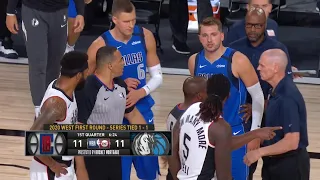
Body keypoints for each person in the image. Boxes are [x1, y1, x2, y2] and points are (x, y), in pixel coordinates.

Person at [86, 0, 163, 179]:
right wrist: (117, 83)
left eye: (134, 20)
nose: (131, 25)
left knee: (150, 172)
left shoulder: (145, 36)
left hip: (142, 111)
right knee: (119, 173)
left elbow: (158, 77)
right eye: (126, 21)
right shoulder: (100, 45)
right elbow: (88, 82)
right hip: (114, 117)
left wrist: (140, 92)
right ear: (114, 19)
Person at [188, 17, 265, 180]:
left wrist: (255, 134)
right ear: (199, 38)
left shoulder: (237, 60)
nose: (209, 40)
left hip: (234, 131)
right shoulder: (194, 61)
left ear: (222, 36)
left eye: (214, 34)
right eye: (205, 35)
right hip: (205, 135)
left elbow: (257, 95)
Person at [168, 74, 282, 180]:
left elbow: (171, 148)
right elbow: (224, 176)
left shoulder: (190, 110)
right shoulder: (221, 127)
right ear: (228, 96)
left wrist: (255, 133)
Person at [228, 7, 295, 180]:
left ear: (265, 25)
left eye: (257, 26)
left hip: (272, 115)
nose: (252, 30)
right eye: (249, 25)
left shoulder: (278, 50)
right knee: (244, 166)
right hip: (242, 115)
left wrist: (260, 105)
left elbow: (284, 91)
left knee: (274, 168)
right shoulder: (234, 49)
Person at [76, 46, 147, 180]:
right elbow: (78, 128)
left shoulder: (121, 85)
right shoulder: (88, 87)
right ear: (110, 65)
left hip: (114, 153)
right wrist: (80, 168)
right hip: (92, 155)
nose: (124, 63)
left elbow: (132, 114)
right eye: (120, 60)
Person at [6, 0, 85, 118]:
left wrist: (80, 12)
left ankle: (49, 102)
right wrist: (10, 12)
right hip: (34, 10)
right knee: (38, 63)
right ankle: (39, 110)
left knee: (55, 64)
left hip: (60, 11)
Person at [244, 49, 310, 180]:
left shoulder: (287, 97)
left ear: (275, 68)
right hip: (273, 162)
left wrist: (258, 152)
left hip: (289, 167)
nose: (258, 68)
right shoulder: (274, 89)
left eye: (262, 65)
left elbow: (291, 142)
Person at [29, 51, 89, 180]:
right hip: (51, 170)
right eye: (86, 73)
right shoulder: (56, 104)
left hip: (64, 166)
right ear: (78, 76)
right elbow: (34, 136)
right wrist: (53, 165)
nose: (87, 76)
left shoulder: (65, 87)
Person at [164, 76, 207, 180]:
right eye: (208, 91)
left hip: (172, 169)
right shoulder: (194, 119)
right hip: (183, 172)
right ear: (200, 96)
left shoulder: (174, 111)